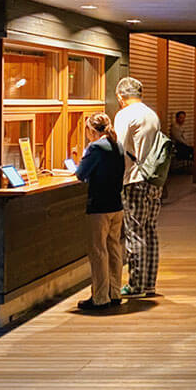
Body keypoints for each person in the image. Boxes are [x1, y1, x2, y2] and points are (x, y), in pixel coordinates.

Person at [114, 77, 163, 297]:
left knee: (134, 232)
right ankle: (149, 283)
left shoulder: (125, 115)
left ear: (120, 97)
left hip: (134, 179)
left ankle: (135, 285)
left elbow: (120, 149)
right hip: (154, 180)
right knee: (150, 230)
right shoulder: (152, 114)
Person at [74, 113, 125, 312]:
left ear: (92, 131)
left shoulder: (95, 147)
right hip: (116, 205)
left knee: (98, 252)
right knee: (114, 249)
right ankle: (115, 292)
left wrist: (80, 157)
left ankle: (100, 297)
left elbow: (81, 174)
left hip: (99, 206)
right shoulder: (117, 145)